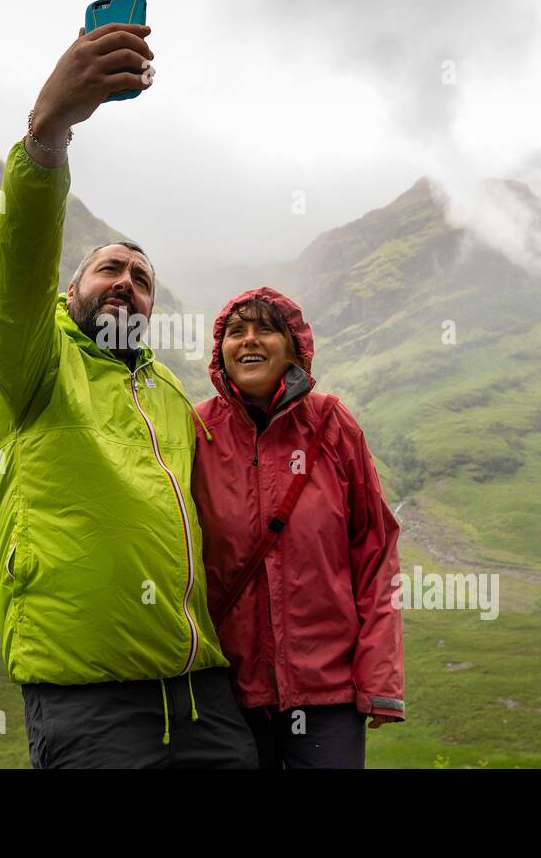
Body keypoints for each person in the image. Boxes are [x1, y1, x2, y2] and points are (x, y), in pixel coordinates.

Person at [0, 21, 257, 768]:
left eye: (141, 279)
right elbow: (17, 274)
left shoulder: (169, 393)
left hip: (203, 694)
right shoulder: (33, 364)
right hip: (88, 701)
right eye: (109, 269)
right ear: (71, 290)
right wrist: (48, 134)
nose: (125, 284)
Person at [190, 286, 406, 768]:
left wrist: (380, 679)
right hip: (227, 693)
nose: (249, 341)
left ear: (294, 347)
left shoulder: (333, 424)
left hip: (327, 692)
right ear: (219, 351)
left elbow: (375, 551)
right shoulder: (196, 432)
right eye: (236, 331)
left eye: (266, 329)